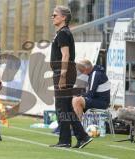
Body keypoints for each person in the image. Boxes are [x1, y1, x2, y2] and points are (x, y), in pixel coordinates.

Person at [49, 5, 92, 148]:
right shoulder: (63, 32)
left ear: (63, 18)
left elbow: (65, 55)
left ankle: (65, 140)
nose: (52, 17)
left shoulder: (63, 33)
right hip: (66, 72)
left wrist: (62, 75)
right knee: (67, 107)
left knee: (61, 107)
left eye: (55, 15)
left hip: (64, 73)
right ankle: (82, 137)